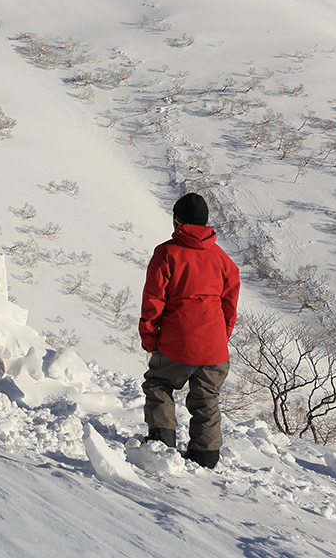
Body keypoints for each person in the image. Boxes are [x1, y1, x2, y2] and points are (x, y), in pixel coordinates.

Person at [138, 192, 240, 469]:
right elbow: (229, 309)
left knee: (159, 384)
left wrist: (150, 338)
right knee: (206, 399)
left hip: (177, 343)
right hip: (215, 348)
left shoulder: (167, 253)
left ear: (176, 221)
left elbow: (153, 301)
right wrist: (220, 339)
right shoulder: (224, 260)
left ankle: (161, 446)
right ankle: (206, 458)